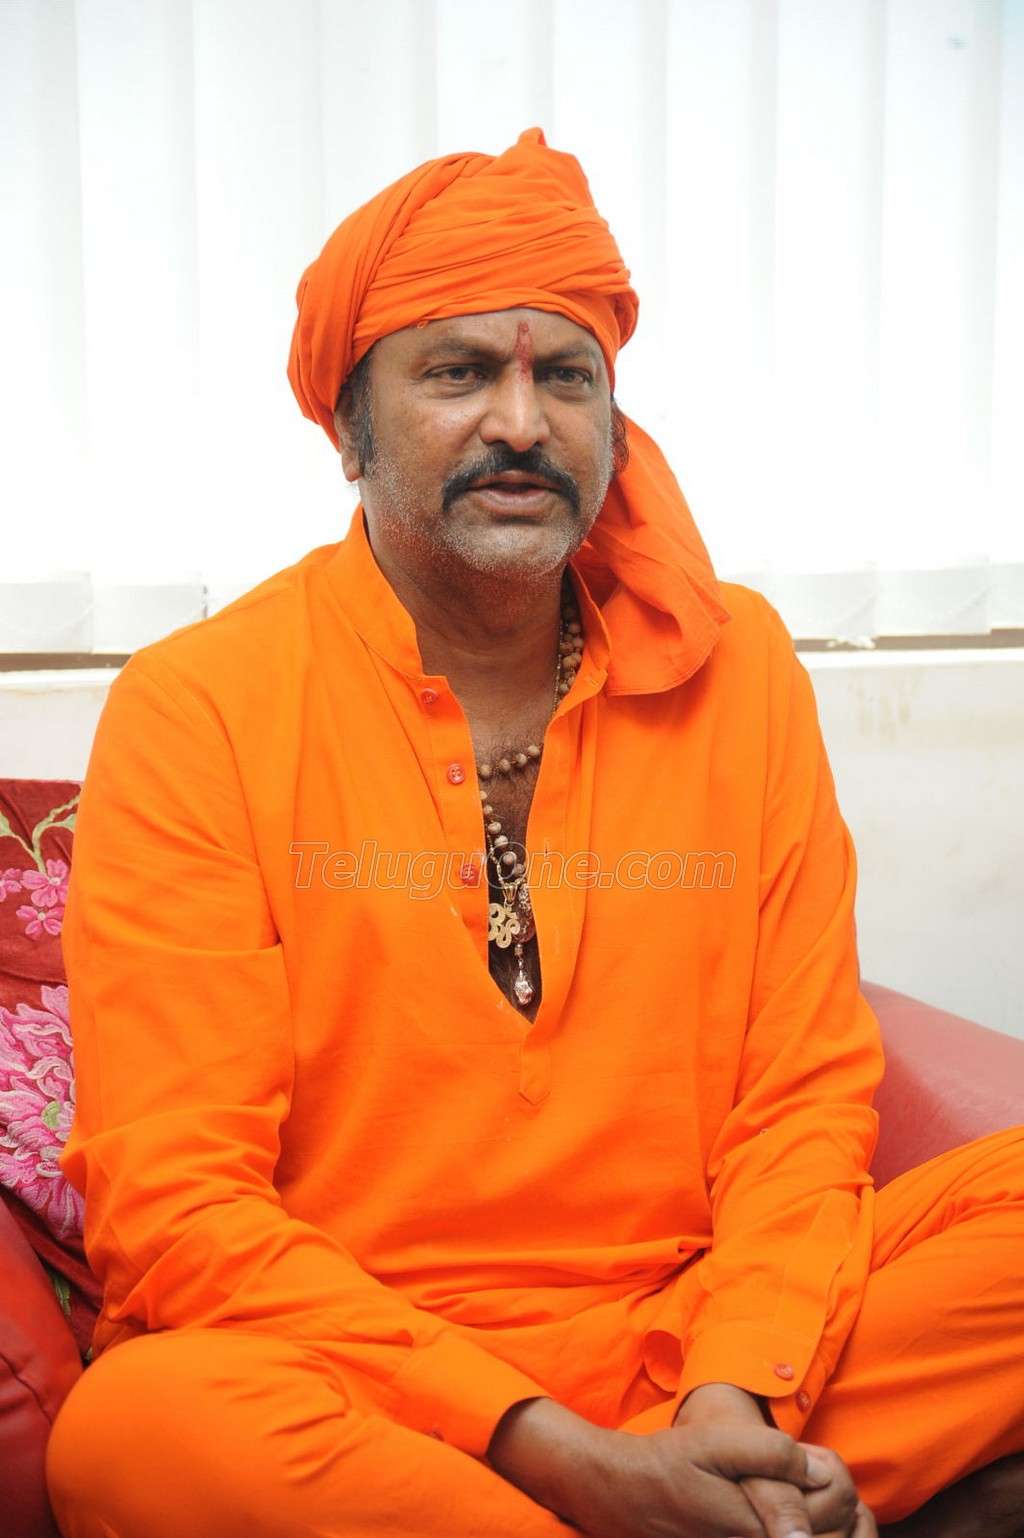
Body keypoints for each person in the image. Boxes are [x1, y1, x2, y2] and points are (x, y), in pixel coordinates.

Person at [47, 129, 1023, 1538]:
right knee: (134, 1431)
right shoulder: (197, 705)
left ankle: (707, 1491)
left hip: (688, 1340)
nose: (522, 422)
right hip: (367, 1372)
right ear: (348, 427)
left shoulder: (738, 665)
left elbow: (802, 1096)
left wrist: (734, 1397)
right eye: (458, 373)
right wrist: (555, 1452)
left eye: (566, 375)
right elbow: (175, 1206)